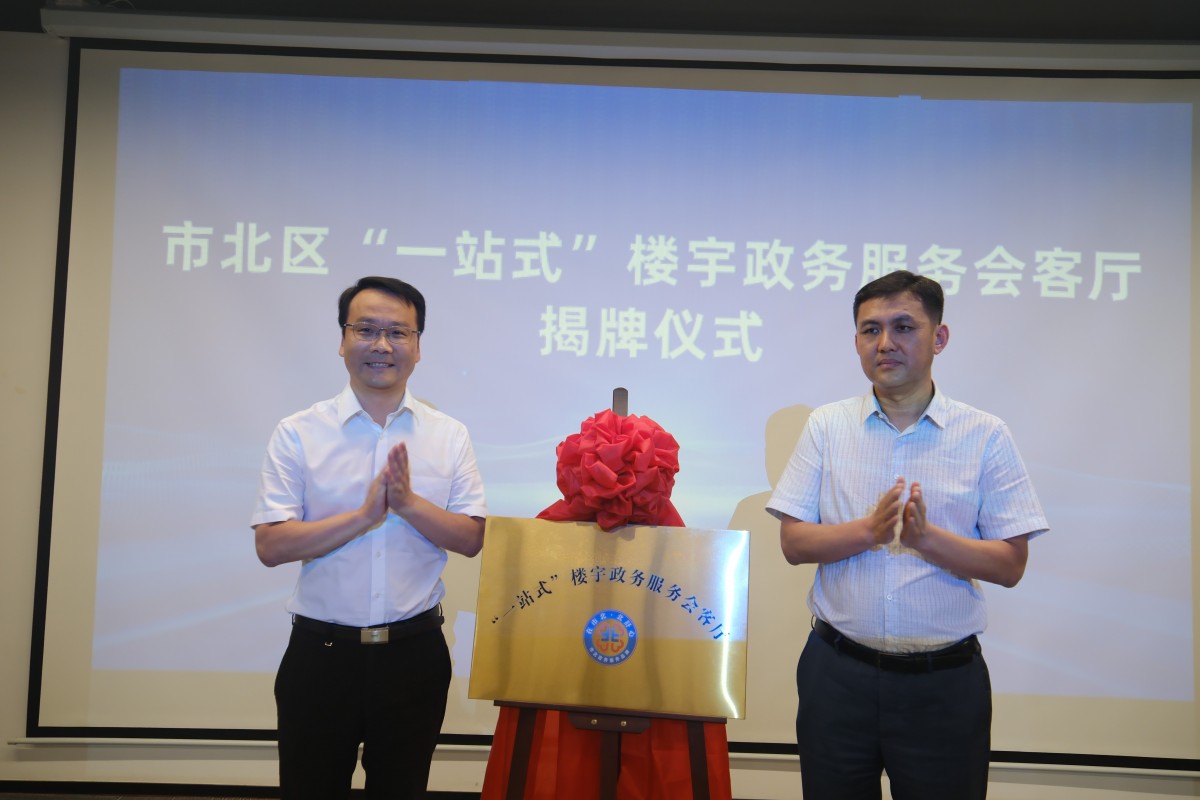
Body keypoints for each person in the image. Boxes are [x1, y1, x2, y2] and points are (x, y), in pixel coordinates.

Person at [766, 270, 1048, 799]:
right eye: (870, 330)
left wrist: (926, 540)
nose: (885, 343)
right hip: (837, 676)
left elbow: (1011, 565)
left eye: (903, 327)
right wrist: (869, 532)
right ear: (856, 341)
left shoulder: (985, 435)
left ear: (939, 338)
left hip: (943, 685)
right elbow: (794, 543)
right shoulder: (827, 426)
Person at [251, 276, 487, 799]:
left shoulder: (448, 435)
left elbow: (472, 537)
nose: (382, 345)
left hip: (413, 656)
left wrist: (407, 503)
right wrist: (363, 516)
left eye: (398, 333)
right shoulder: (298, 432)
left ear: (418, 346)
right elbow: (271, 545)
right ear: (342, 340)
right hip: (320, 657)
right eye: (366, 330)